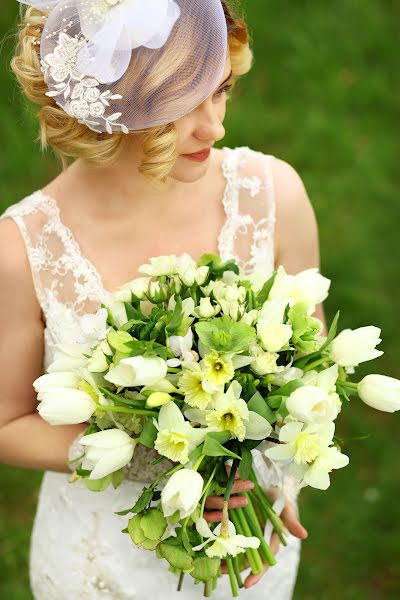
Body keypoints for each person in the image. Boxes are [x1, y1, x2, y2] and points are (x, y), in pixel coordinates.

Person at [0, 1, 325, 598]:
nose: (215, 127)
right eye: (180, 106)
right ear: (111, 105)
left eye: (221, 90)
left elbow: (312, 362)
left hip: (249, 542)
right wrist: (156, 457)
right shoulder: (22, 248)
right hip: (105, 563)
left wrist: (281, 465)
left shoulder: (270, 194)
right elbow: (5, 423)